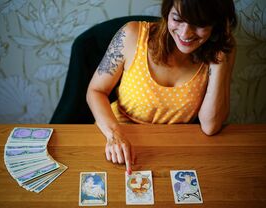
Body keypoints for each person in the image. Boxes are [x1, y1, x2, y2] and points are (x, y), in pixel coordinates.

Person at [86, 0, 237, 174]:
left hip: (172, 148)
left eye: (199, 24)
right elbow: (95, 91)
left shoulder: (221, 53)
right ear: (167, 13)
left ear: (216, 25)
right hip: (114, 135)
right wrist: (114, 135)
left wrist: (220, 58)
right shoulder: (131, 35)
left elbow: (210, 126)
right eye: (178, 19)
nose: (185, 33)